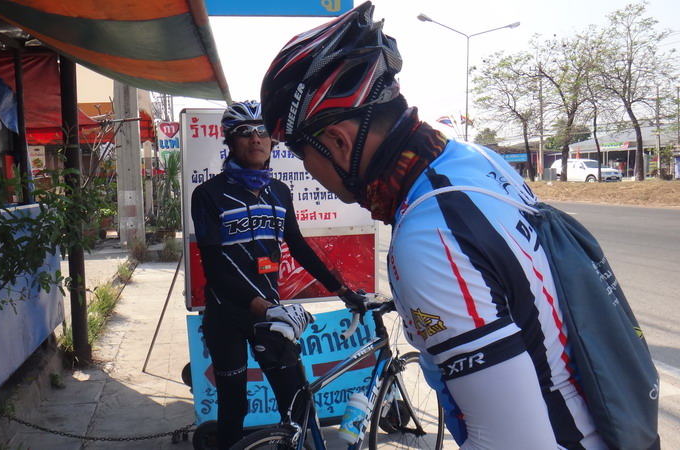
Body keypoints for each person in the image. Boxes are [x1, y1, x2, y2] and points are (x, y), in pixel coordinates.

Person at [260, 3, 609, 448]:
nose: (307, 170)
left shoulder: (429, 237)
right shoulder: (474, 161)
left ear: (338, 141)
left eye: (299, 153)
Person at [190, 100, 365, 449]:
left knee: (295, 400)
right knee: (233, 406)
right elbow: (214, 268)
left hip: (269, 313)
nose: (255, 139)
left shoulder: (280, 192)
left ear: (272, 141)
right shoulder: (208, 194)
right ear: (230, 141)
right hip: (227, 314)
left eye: (263, 132)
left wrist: (342, 289)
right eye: (244, 132)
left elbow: (298, 247)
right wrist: (263, 307)